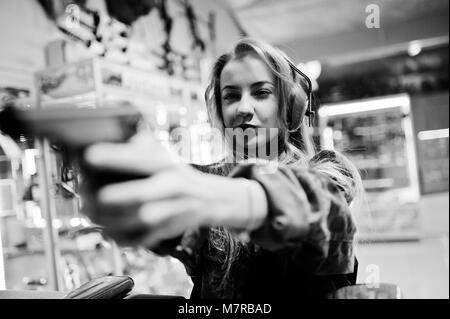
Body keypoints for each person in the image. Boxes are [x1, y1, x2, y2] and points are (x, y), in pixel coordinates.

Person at [82, 38, 364, 299]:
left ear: (290, 105)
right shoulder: (205, 178)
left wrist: (230, 198)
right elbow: (174, 224)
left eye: (261, 92)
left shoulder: (329, 170)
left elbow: (319, 204)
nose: (243, 107)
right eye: (230, 96)